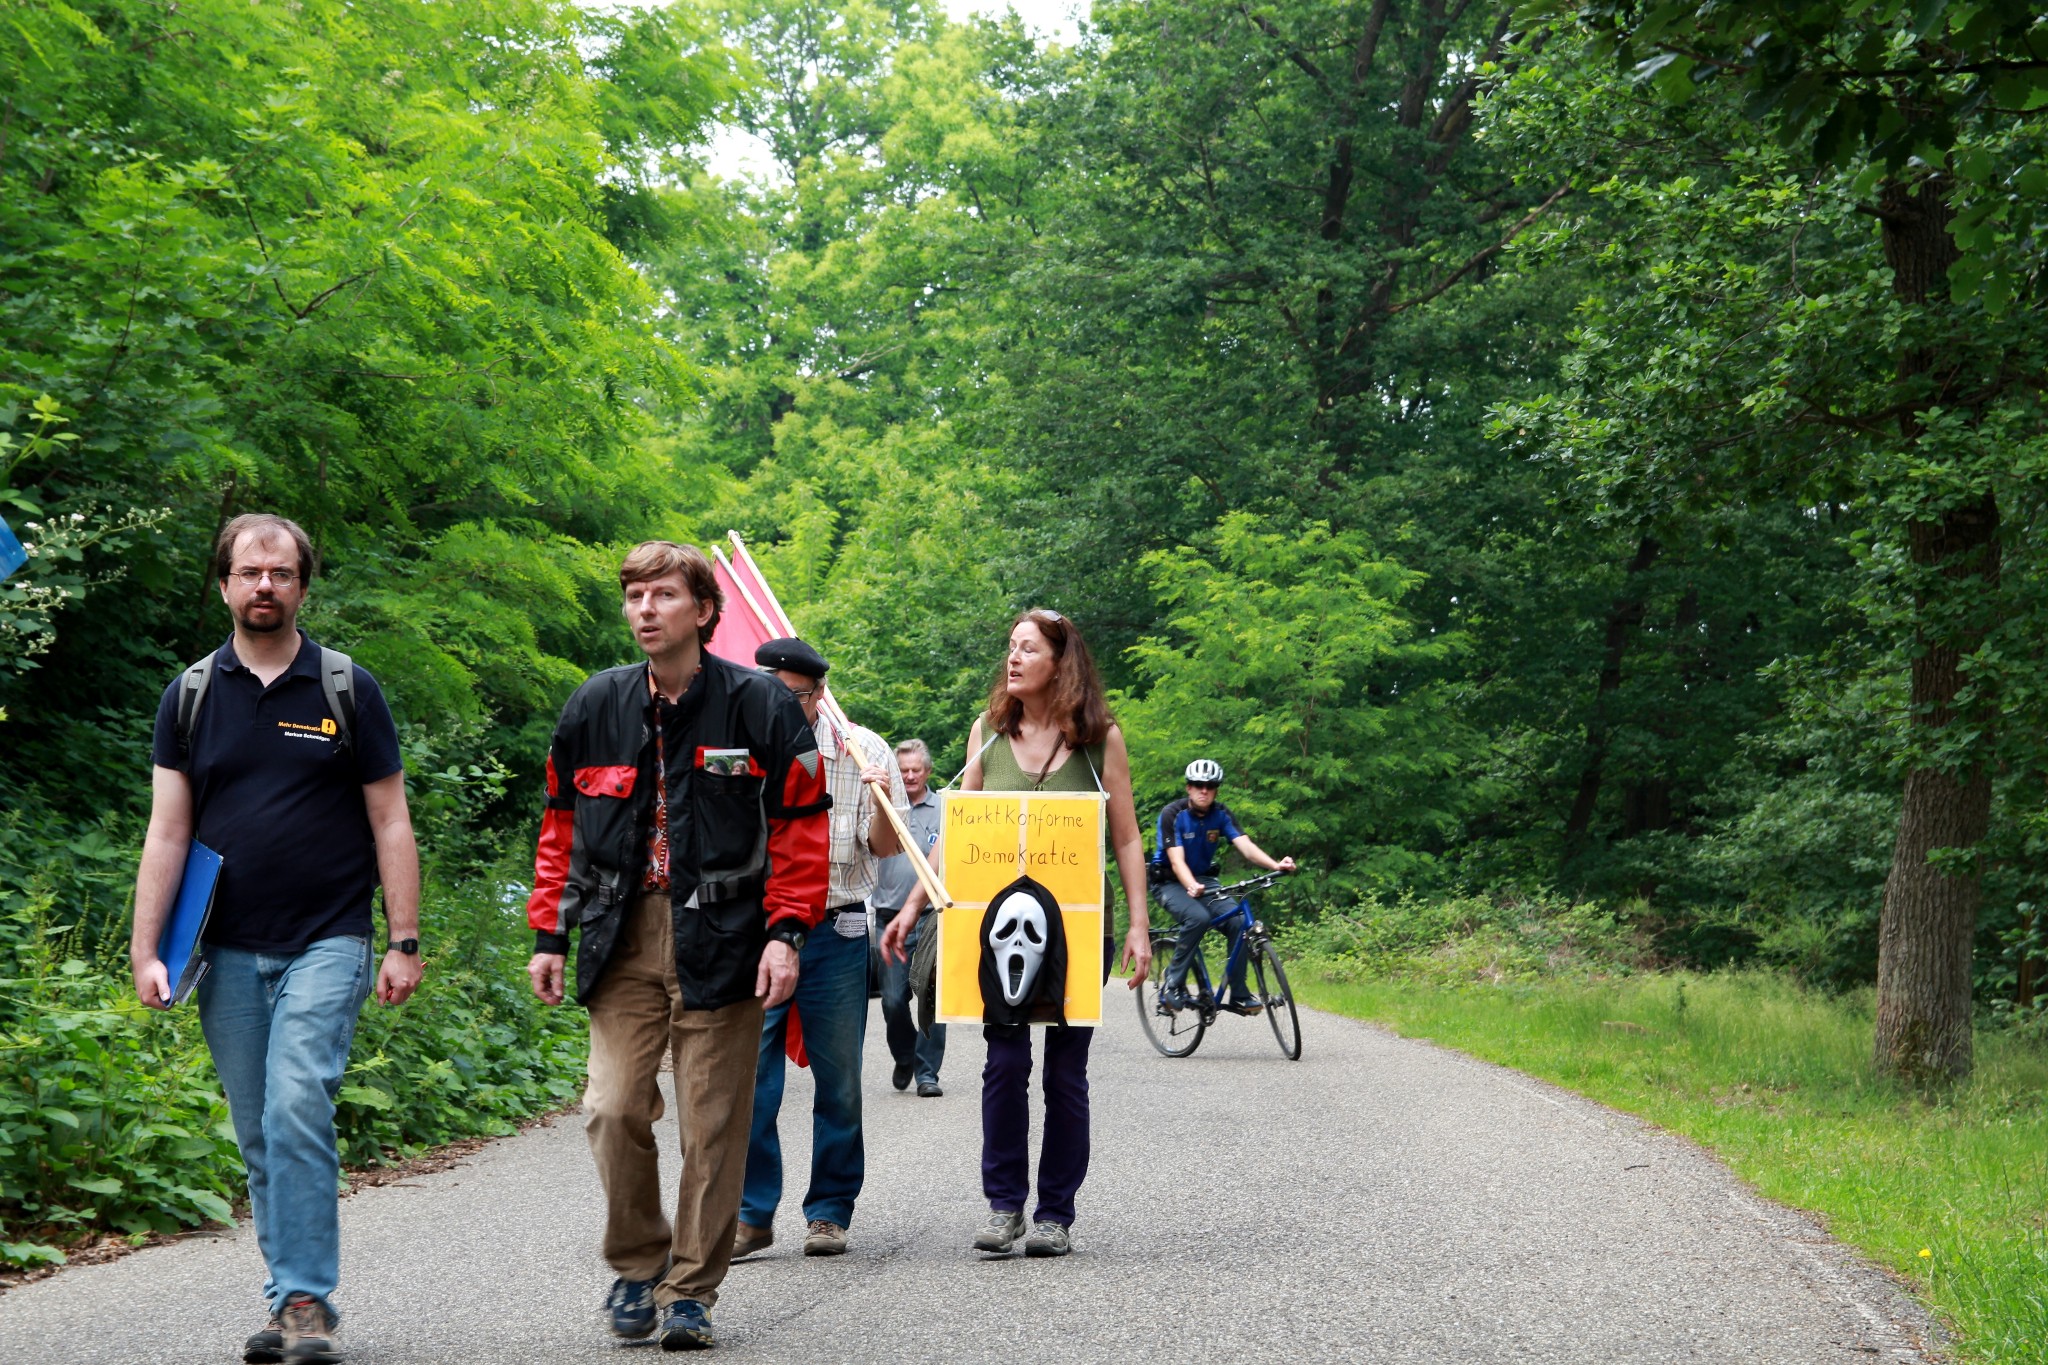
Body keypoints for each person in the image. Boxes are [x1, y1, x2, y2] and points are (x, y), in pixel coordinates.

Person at [128, 513, 421, 1365]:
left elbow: (391, 819)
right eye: (250, 572)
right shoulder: (189, 695)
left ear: (301, 586)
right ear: (224, 583)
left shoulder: (346, 688)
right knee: (259, 1131)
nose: (266, 585)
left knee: (297, 1102)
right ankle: (287, 1290)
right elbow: (168, 830)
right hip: (224, 948)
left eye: (282, 572)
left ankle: (306, 1299)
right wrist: (148, 950)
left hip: (329, 935)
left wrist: (402, 937)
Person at [525, 542, 831, 1353]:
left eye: (662, 594)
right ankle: (638, 1263)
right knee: (612, 1107)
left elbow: (801, 829)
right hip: (620, 936)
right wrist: (549, 931)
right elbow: (559, 827)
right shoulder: (594, 704)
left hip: (727, 938)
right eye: (634, 595)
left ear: (703, 610)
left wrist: (786, 933)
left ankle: (691, 1288)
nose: (645, 609)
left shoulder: (760, 705)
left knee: (713, 1125)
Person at [880, 608, 1151, 1259]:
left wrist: (1140, 924)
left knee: (1065, 1074)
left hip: (1078, 930)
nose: (1014, 657)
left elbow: (1126, 836)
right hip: (1000, 934)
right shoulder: (988, 733)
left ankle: (1055, 1213)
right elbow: (957, 831)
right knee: (1004, 1065)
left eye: (1028, 648)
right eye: (1011, 647)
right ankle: (1004, 1206)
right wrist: (914, 903)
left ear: (1061, 662)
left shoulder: (1101, 739)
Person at [735, 637, 907, 1261]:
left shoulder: (864, 749)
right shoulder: (740, 748)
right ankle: (752, 1213)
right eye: (770, 693)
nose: (781, 706)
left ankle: (830, 1210)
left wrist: (881, 798)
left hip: (837, 927)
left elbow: (886, 847)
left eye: (796, 696)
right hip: (760, 930)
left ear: (819, 695)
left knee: (840, 1082)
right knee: (751, 1079)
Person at [1152, 759, 1295, 1012]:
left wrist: (1275, 865)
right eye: (1198, 784)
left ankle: (1238, 992)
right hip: (1168, 882)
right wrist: (1190, 884)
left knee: (1239, 922)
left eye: (1210, 786)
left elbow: (1246, 847)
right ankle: (1172, 984)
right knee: (1198, 918)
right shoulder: (1172, 814)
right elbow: (1176, 861)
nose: (1204, 790)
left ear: (1216, 789)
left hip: (1204, 880)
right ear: (1188, 787)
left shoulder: (1221, 814)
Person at [871, 738, 946, 1097]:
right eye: (904, 771)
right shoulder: (882, 804)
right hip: (888, 917)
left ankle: (927, 1073)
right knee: (892, 1000)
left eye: (916, 769)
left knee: (933, 996)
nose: (911, 776)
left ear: (927, 771)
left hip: (932, 917)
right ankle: (905, 1056)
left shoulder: (945, 809)